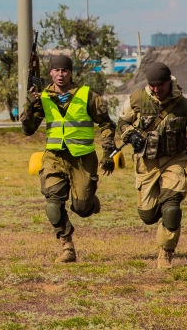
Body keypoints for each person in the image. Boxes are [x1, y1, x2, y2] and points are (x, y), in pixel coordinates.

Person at [116, 62, 187, 268]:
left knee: (172, 208)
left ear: (169, 81)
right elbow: (122, 122)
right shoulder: (137, 99)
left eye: (160, 85)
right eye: (152, 85)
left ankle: (166, 252)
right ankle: (160, 213)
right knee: (147, 215)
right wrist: (130, 134)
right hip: (146, 164)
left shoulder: (184, 105)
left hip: (174, 160)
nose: (156, 89)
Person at [20, 54, 116, 263]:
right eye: (56, 70)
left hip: (82, 158)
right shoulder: (42, 96)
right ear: (50, 73)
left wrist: (108, 153)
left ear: (71, 73)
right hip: (54, 156)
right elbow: (28, 130)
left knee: (81, 208)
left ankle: (89, 202)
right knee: (53, 203)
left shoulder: (87, 95)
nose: (60, 74)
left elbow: (107, 124)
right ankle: (66, 246)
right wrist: (29, 106)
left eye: (64, 70)